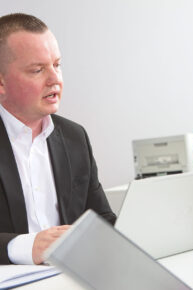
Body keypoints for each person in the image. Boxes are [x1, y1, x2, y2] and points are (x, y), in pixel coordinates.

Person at [0, 13, 116, 265]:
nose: (55, 79)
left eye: (57, 65)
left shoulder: (75, 137)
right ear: (1, 82)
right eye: (38, 70)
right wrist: (26, 246)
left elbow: (102, 221)